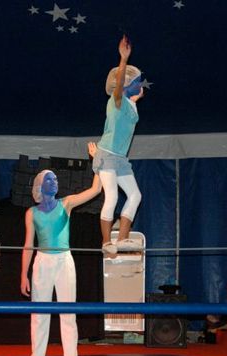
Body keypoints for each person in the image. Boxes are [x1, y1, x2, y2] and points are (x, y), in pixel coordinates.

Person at [20, 169, 101, 356]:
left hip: (64, 260)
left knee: (68, 312)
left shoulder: (67, 203)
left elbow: (95, 190)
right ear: (40, 185)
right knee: (39, 314)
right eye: (50, 179)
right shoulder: (31, 213)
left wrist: (99, 165)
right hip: (42, 262)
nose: (55, 181)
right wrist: (23, 275)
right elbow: (28, 245)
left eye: (56, 179)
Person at [91, 35, 144, 255]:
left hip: (120, 158)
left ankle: (122, 239)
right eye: (137, 81)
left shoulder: (130, 104)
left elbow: (130, 108)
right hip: (107, 154)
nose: (140, 84)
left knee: (135, 195)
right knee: (111, 196)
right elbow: (120, 84)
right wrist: (123, 59)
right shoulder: (117, 100)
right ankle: (106, 243)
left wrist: (136, 97)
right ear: (125, 86)